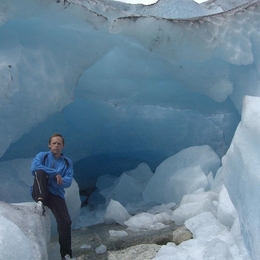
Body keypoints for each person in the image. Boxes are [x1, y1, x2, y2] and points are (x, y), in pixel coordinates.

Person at [30, 133, 74, 260]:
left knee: (65, 222)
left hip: (56, 194)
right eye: (54, 143)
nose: (56, 145)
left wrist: (53, 181)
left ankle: (66, 254)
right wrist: (55, 174)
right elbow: (34, 168)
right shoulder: (42, 156)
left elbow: (68, 181)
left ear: (63, 146)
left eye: (59, 143)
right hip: (40, 191)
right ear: (49, 145)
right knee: (40, 172)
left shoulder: (66, 162)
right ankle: (40, 202)